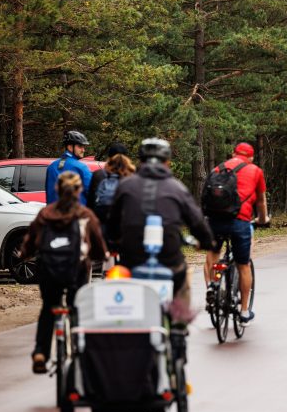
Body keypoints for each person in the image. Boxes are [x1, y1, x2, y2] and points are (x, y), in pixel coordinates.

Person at [105, 138, 216, 339]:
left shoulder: (126, 185)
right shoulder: (176, 188)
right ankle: (179, 328)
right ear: (167, 162)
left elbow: (111, 223)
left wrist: (112, 242)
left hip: (132, 258)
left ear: (140, 160)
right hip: (169, 258)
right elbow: (197, 221)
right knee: (182, 279)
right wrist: (207, 242)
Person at [19, 172, 107, 374]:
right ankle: (81, 350)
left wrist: (24, 255)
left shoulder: (45, 214)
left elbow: (31, 241)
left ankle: (41, 352)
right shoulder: (85, 215)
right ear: (79, 190)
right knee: (78, 308)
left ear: (57, 189)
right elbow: (99, 248)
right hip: (76, 271)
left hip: (48, 270)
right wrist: (98, 255)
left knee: (49, 308)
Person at [202, 142, 269, 324]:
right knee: (243, 264)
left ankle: (212, 287)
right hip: (240, 222)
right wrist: (262, 220)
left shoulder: (219, 168)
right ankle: (245, 311)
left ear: (233, 154)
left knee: (213, 254)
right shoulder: (256, 171)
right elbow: (261, 202)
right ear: (252, 157)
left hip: (215, 220)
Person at [86, 142, 135, 232]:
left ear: (109, 158)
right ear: (127, 158)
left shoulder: (98, 174)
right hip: (124, 227)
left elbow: (90, 203)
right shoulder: (133, 177)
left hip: (102, 226)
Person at [46, 131, 93, 205]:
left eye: (84, 147)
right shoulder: (81, 167)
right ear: (70, 147)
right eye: (80, 146)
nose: (83, 150)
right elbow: (91, 192)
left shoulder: (51, 167)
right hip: (75, 214)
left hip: (53, 214)